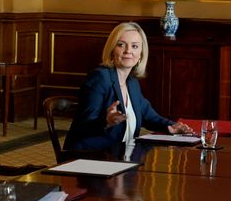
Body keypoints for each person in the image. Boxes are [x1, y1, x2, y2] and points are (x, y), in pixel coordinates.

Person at [64, 22, 194, 152]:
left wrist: (171, 126)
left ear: (141, 54)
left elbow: (148, 116)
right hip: (90, 156)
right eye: (121, 45)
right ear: (112, 50)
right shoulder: (100, 78)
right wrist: (106, 122)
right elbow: (83, 126)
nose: (128, 51)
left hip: (120, 157)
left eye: (135, 46)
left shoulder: (132, 82)